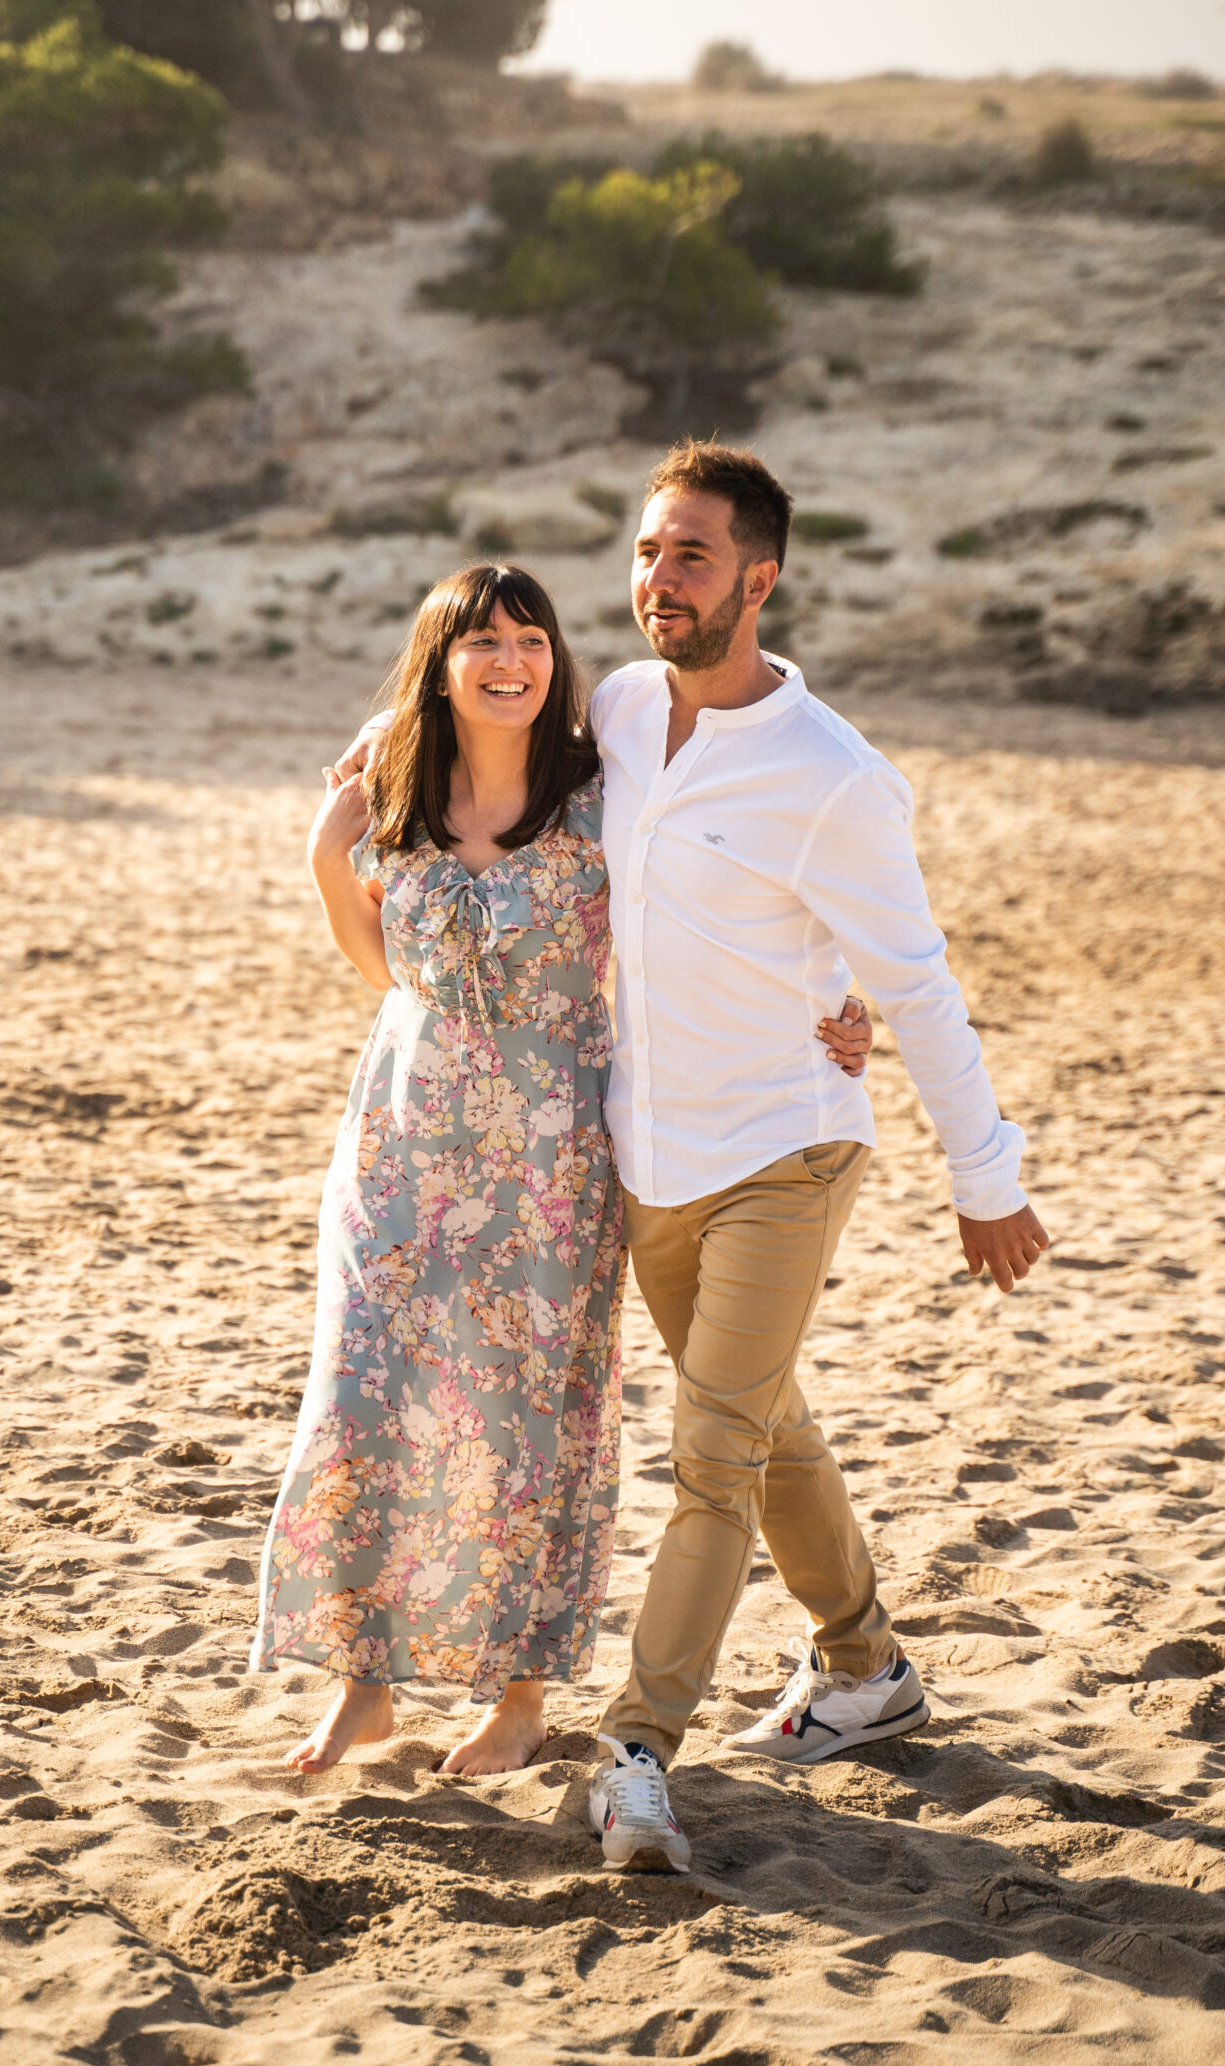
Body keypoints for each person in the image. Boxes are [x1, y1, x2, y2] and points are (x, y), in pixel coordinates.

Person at [332, 442, 1050, 1870]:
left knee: (710, 1454)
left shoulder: (835, 776)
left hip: (785, 1149)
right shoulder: (614, 712)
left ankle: (636, 1750)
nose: (659, 580)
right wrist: (381, 745)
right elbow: (496, 758)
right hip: (638, 1161)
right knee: (767, 1420)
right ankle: (865, 1669)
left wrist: (987, 1179)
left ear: (758, 579)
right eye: (648, 552)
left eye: (692, 557)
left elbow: (909, 975)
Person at [253, 560, 871, 1777]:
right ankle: (362, 1690)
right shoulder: (390, 790)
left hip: (552, 1165)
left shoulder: (604, 792)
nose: (508, 661)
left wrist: (835, 1000)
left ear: (555, 661)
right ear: (440, 664)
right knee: (367, 1402)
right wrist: (333, 853)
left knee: (534, 1425)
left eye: (530, 638)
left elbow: (734, 888)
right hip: (402, 1151)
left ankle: (519, 1699)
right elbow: (386, 974)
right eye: (479, 641)